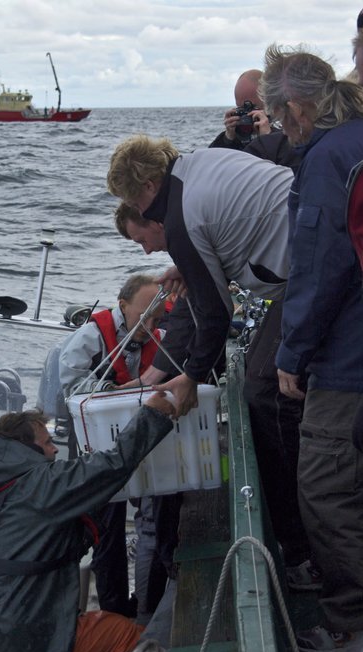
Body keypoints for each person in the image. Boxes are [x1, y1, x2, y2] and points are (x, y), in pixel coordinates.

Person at [107, 137, 316, 574]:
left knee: (262, 391)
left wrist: (192, 377)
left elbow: (215, 315)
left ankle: (300, 543)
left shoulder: (180, 217)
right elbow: (226, 227)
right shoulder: (198, 165)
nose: (142, 214)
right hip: (318, 234)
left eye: (136, 203)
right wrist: (192, 265)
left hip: (312, 267)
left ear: (148, 186)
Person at [0, 395, 176, 652]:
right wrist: (152, 414)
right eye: (47, 443)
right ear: (26, 449)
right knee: (124, 633)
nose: (55, 449)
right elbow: (115, 462)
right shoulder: (44, 483)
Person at [260, 44, 363, 652]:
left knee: (326, 486)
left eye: (278, 116)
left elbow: (322, 267)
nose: (280, 128)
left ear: (297, 107)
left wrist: (292, 353)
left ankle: (351, 623)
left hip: (348, 358)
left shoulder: (328, 158)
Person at [59, 274, 167, 619]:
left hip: (142, 443)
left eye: (157, 319)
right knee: (107, 530)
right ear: (122, 306)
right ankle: (115, 612)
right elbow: (71, 384)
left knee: (156, 520)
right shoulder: (90, 337)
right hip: (97, 445)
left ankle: (148, 606)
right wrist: (111, 393)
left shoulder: (161, 338)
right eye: (144, 317)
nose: (150, 326)